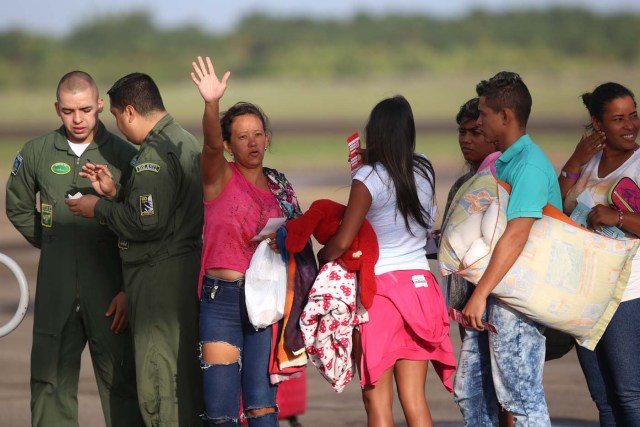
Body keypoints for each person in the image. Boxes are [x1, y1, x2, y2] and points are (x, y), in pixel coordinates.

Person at [65, 72, 204, 426]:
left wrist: (98, 207)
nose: (119, 126)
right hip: (182, 268)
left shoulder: (151, 158)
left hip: (158, 277)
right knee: (182, 372)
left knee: (159, 378)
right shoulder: (183, 139)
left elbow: (147, 223)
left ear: (129, 112)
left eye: (114, 117)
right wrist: (117, 194)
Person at [5, 71, 143, 426]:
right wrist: (53, 241)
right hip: (56, 287)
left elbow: (141, 223)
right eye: (68, 111)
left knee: (122, 382)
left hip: (111, 288)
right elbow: (18, 205)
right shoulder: (36, 152)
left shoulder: (126, 156)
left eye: (85, 109)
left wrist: (128, 287)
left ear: (99, 106)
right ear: (57, 109)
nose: (77, 119)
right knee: (50, 382)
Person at [317, 95, 456, 426]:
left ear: (375, 134)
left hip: (379, 293)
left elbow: (343, 241)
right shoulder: (423, 167)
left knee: (376, 400)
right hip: (421, 289)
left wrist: (323, 256)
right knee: (415, 399)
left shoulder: (368, 178)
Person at [190, 56, 307, 427]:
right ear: (228, 144)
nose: (252, 142)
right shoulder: (218, 176)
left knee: (261, 406)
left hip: (265, 300)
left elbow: (301, 236)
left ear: (267, 138)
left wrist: (284, 239)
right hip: (220, 300)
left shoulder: (280, 184)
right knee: (221, 412)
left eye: (258, 134)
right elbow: (207, 147)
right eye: (242, 136)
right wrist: (212, 103)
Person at [460, 71, 562, 426]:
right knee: (474, 393)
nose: (479, 120)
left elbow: (516, 235)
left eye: (484, 114)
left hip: (514, 298)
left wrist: (479, 293)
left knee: (520, 399)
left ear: (506, 116)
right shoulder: (507, 161)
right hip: (495, 294)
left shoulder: (529, 165)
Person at [559, 82, 640, 426]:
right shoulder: (588, 163)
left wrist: (618, 216)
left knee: (629, 394)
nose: (630, 125)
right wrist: (575, 159)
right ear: (597, 123)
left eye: (633, 116)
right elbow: (555, 206)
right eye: (618, 119)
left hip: (627, 292)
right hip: (585, 293)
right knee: (603, 398)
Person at [444, 98, 511, 427]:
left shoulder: (503, 179)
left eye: (475, 132)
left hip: (497, 299)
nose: (466, 139)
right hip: (467, 299)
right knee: (481, 388)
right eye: (462, 131)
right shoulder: (462, 184)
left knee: (502, 389)